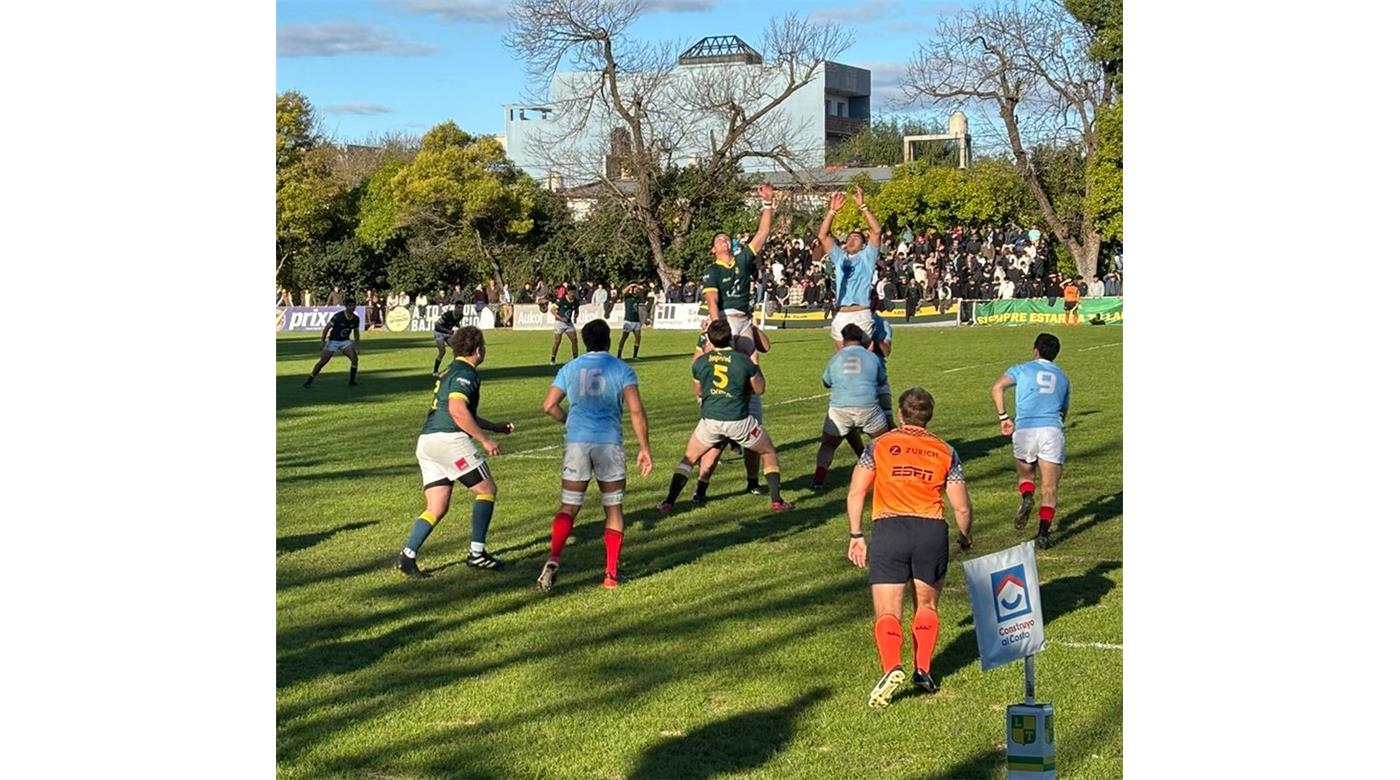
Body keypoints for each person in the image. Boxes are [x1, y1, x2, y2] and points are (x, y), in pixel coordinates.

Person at [846, 387, 973, 708]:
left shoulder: (879, 445)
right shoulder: (946, 451)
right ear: (929, 416)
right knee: (926, 605)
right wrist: (965, 534)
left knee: (888, 611)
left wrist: (856, 534)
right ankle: (924, 669)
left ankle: (892, 667)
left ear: (900, 415)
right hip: (930, 529)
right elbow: (961, 507)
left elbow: (856, 492)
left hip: (890, 528)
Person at [537, 320, 654, 591]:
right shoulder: (621, 369)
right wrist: (644, 447)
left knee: (569, 506)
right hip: (609, 444)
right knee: (613, 508)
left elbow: (548, 405)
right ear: (609, 340)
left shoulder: (570, 367)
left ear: (585, 341)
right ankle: (611, 574)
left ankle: (554, 557)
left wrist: (568, 421)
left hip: (577, 444)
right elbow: (636, 410)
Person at [397, 326, 514, 577]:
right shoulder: (466, 373)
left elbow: (464, 413)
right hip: (449, 441)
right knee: (486, 490)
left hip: (427, 442)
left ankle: (408, 556)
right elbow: (458, 411)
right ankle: (477, 553)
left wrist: (495, 427)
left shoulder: (450, 370)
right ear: (479, 349)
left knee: (436, 506)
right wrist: (484, 439)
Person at [657, 319, 793, 513]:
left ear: (709, 340)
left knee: (688, 459)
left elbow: (699, 392)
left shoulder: (700, 362)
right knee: (768, 451)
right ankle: (777, 501)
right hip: (738, 420)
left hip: (710, 421)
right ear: (731, 337)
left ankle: (668, 502)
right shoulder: (743, 361)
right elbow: (760, 389)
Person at [990, 333, 1070, 549]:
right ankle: (1043, 533)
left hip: (1025, 429)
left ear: (1035, 350)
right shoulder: (1063, 377)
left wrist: (1004, 417)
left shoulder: (1021, 369)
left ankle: (1026, 496)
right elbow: (1063, 412)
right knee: (1050, 488)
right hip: (1051, 431)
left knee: (1026, 475)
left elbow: (997, 387)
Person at [701, 183, 775, 360]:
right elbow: (712, 301)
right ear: (713, 249)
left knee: (752, 361)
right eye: (718, 240)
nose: (723, 240)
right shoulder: (712, 270)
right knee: (724, 361)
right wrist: (717, 326)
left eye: (725, 238)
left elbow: (762, 233)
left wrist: (767, 203)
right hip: (725, 319)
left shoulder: (742, 259)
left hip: (744, 320)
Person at [812, 323, 890, 489]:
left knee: (828, 445)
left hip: (840, 409)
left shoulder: (836, 358)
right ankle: (888, 475)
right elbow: (882, 380)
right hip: (868, 407)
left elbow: (826, 382)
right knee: (883, 442)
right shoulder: (872, 357)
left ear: (843, 339)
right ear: (861, 338)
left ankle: (819, 478)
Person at [817, 185, 882, 352]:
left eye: (857, 238)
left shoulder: (867, 257)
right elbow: (822, 236)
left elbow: (876, 231)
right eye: (850, 237)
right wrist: (832, 211)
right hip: (842, 312)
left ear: (863, 245)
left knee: (863, 355)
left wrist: (863, 207)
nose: (853, 240)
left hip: (861, 312)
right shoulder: (840, 257)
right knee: (841, 355)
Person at [304, 300, 360, 387]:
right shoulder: (338, 316)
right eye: (350, 305)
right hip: (333, 341)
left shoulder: (356, 318)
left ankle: (352, 381)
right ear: (346, 306)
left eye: (354, 305)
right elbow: (327, 328)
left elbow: (356, 332)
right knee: (323, 361)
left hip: (345, 341)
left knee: (355, 359)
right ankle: (309, 380)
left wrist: (356, 346)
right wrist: (322, 341)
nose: (352, 307)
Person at [431, 299, 467, 375]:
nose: (460, 310)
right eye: (459, 308)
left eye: (462, 308)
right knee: (442, 352)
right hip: (439, 333)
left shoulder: (461, 316)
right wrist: (448, 331)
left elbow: (456, 323)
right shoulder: (447, 315)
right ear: (455, 307)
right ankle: (435, 371)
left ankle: (455, 367)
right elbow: (436, 326)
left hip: (448, 334)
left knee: (457, 349)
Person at [549, 286, 580, 365]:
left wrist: (575, 317)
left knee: (574, 340)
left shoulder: (576, 301)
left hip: (569, 323)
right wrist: (561, 318)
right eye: (571, 292)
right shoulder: (561, 300)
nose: (573, 294)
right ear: (568, 292)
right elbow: (552, 310)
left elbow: (576, 310)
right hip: (559, 323)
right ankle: (553, 358)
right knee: (557, 341)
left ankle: (575, 359)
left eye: (574, 292)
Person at [615, 283, 645, 359]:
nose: (636, 290)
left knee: (638, 337)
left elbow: (643, 299)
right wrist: (630, 285)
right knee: (624, 338)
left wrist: (639, 288)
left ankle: (635, 355)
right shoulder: (627, 297)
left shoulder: (638, 297)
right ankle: (619, 355)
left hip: (636, 320)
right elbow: (623, 292)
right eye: (634, 288)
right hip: (628, 320)